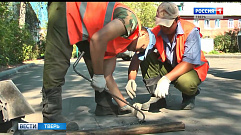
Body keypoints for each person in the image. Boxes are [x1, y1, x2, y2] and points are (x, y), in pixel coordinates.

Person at [42, 2, 155, 131]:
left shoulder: (119, 40)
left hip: (84, 22)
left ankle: (104, 105)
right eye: (142, 48)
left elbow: (107, 76)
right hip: (66, 7)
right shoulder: (130, 21)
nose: (138, 52)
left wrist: (125, 106)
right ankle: (51, 115)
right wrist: (98, 75)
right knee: (57, 60)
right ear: (143, 35)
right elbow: (97, 39)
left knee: (96, 60)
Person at [125, 2, 209, 112]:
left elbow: (189, 62)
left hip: (190, 69)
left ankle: (189, 95)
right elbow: (138, 56)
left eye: (167, 24)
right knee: (147, 55)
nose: (164, 28)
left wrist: (166, 79)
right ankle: (157, 97)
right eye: (161, 24)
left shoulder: (190, 31)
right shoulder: (155, 32)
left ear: (177, 19)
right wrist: (131, 79)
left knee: (186, 83)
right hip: (171, 66)